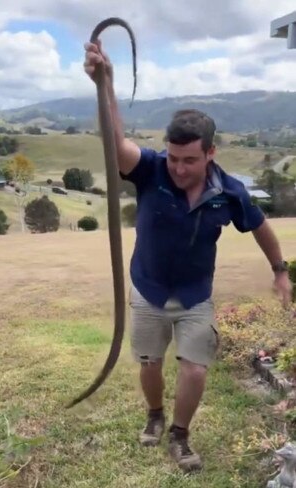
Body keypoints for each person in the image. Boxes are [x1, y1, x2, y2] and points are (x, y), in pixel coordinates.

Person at [83, 40, 292, 472]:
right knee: (150, 363)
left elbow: (260, 228)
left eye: (190, 160)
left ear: (211, 153)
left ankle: (180, 435)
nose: (179, 168)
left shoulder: (230, 191)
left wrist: (279, 271)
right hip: (148, 289)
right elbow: (116, 141)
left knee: (195, 369)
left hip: (196, 295)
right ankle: (154, 414)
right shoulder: (150, 169)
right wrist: (106, 84)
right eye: (174, 158)